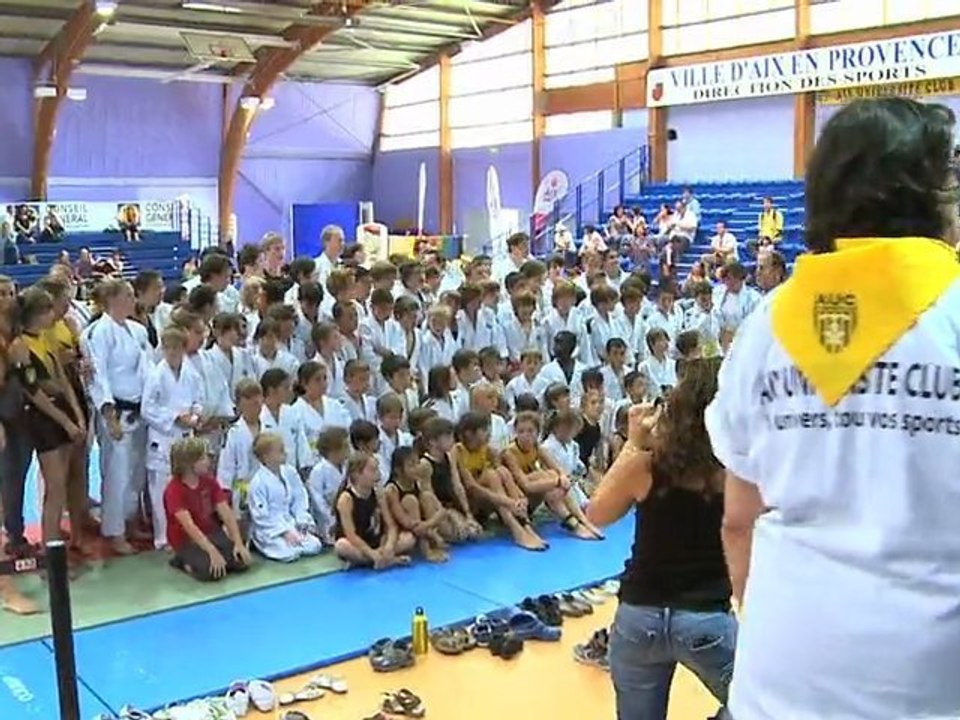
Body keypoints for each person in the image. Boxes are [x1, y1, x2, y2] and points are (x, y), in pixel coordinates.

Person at [706, 98, 960, 720]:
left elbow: (738, 520)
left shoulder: (767, 324)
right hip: (925, 683)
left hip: (782, 675)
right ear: (923, 194)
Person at [588, 358, 735, 720]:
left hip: (640, 616)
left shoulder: (648, 462)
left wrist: (633, 444)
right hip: (704, 618)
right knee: (766, 706)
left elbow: (596, 514)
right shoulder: (734, 468)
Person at [141, 327, 204, 549]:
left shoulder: (191, 372)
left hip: (186, 435)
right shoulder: (156, 374)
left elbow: (198, 399)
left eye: (176, 347)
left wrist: (195, 416)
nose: (172, 352)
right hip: (164, 436)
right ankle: (162, 537)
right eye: (167, 348)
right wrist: (175, 417)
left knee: (185, 485)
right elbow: (147, 409)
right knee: (161, 490)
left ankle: (185, 533)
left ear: (183, 348)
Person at [503, 411, 602, 540]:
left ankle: (582, 520)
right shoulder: (509, 453)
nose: (525, 436)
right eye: (521, 431)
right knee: (545, 477)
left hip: (534, 498)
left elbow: (559, 470)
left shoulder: (538, 448)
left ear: (537, 433)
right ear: (515, 432)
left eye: (530, 431)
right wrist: (557, 481)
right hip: (518, 501)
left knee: (552, 475)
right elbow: (526, 485)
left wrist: (562, 478)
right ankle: (575, 524)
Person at [164, 436, 250, 581]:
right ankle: (182, 560)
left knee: (241, 561)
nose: (208, 461)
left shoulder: (209, 481)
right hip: (187, 540)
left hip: (211, 532)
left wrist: (238, 543)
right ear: (190, 463)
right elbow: (189, 527)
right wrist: (211, 551)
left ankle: (214, 554)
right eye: (203, 458)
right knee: (210, 571)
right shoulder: (174, 490)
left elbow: (226, 513)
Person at [248, 432, 324, 562]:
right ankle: (268, 543)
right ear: (266, 456)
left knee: (315, 546)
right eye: (280, 450)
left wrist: (302, 522)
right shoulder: (258, 482)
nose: (285, 452)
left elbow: (300, 499)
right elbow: (261, 516)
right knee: (288, 553)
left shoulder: (290, 472)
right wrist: (284, 532)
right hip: (270, 530)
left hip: (291, 522)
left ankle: (295, 537)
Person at [333, 452, 415, 569]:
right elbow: (351, 535)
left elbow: (391, 526)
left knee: (409, 538)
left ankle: (375, 560)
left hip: (376, 541)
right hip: (357, 544)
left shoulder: (378, 494)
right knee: (341, 546)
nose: (378, 475)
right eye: (373, 470)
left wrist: (389, 546)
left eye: (377, 470)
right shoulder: (346, 499)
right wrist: (372, 553)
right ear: (357, 474)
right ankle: (386, 560)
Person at [418, 417, 482, 544]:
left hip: (450, 505)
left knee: (474, 532)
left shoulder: (449, 457)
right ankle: (436, 534)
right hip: (436, 510)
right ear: (432, 442)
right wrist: (450, 515)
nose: (452, 440)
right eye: (447, 437)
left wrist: (467, 513)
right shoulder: (425, 464)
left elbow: (457, 485)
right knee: (460, 534)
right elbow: (429, 498)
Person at [383, 446, 448, 562]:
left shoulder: (418, 483)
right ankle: (426, 551)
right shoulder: (392, 489)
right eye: (411, 465)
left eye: (418, 463)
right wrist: (430, 532)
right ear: (398, 470)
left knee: (426, 496)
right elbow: (404, 521)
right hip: (398, 533)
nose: (417, 468)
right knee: (410, 501)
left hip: (419, 527)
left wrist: (427, 525)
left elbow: (442, 511)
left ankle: (429, 541)